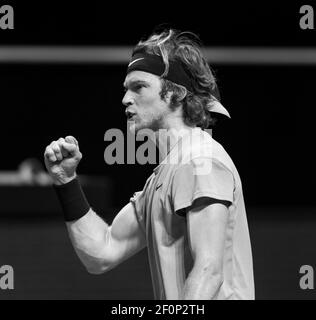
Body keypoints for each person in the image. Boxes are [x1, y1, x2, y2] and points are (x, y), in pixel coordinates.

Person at [44, 28, 255, 300]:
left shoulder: (202, 160)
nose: (125, 99)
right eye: (126, 89)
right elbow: (101, 253)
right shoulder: (164, 175)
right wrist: (66, 181)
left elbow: (208, 270)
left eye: (139, 87)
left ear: (175, 93)